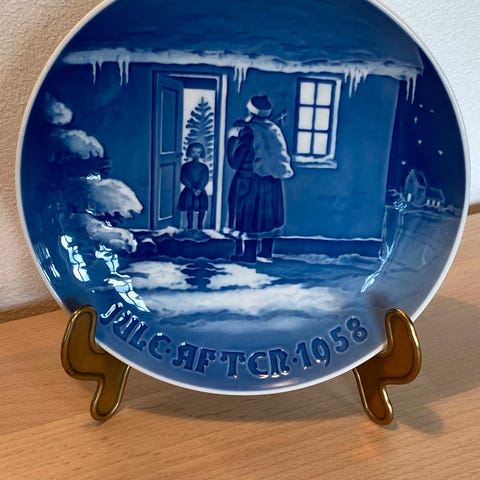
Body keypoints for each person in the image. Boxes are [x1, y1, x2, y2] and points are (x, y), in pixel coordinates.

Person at [227, 95, 294, 262]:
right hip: (272, 181)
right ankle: (266, 252)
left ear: (250, 111)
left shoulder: (248, 130)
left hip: (251, 180)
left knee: (249, 215)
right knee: (267, 216)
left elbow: (235, 162)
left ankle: (249, 254)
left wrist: (232, 139)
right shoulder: (273, 129)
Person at [178, 142, 209, 229]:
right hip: (189, 189)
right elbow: (183, 178)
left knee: (202, 208)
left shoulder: (203, 167)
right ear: (190, 152)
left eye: (198, 152)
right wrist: (192, 188)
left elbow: (205, 179)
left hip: (200, 190)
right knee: (189, 208)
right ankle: (190, 227)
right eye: (194, 152)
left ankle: (200, 227)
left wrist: (200, 189)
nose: (196, 154)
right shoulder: (185, 166)